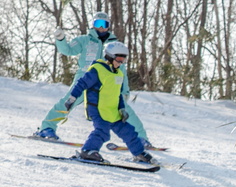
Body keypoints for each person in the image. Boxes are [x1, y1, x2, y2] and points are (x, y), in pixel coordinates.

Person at [37, 12, 155, 148]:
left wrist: (124, 90)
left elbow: (121, 70)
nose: (101, 27)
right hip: (86, 77)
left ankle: (141, 138)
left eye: (104, 24)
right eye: (97, 24)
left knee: (124, 108)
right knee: (69, 100)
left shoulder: (114, 45)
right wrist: (60, 39)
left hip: (108, 80)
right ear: (93, 25)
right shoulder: (84, 40)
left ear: (108, 26)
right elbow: (68, 50)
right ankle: (47, 128)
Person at [62, 41, 154, 164]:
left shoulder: (119, 74)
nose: (121, 62)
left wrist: (122, 109)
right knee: (102, 132)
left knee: (129, 131)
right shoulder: (97, 70)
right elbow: (81, 83)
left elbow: (118, 95)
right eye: (119, 59)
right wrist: (72, 98)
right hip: (98, 109)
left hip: (113, 111)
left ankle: (139, 153)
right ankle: (88, 151)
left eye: (124, 60)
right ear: (110, 56)